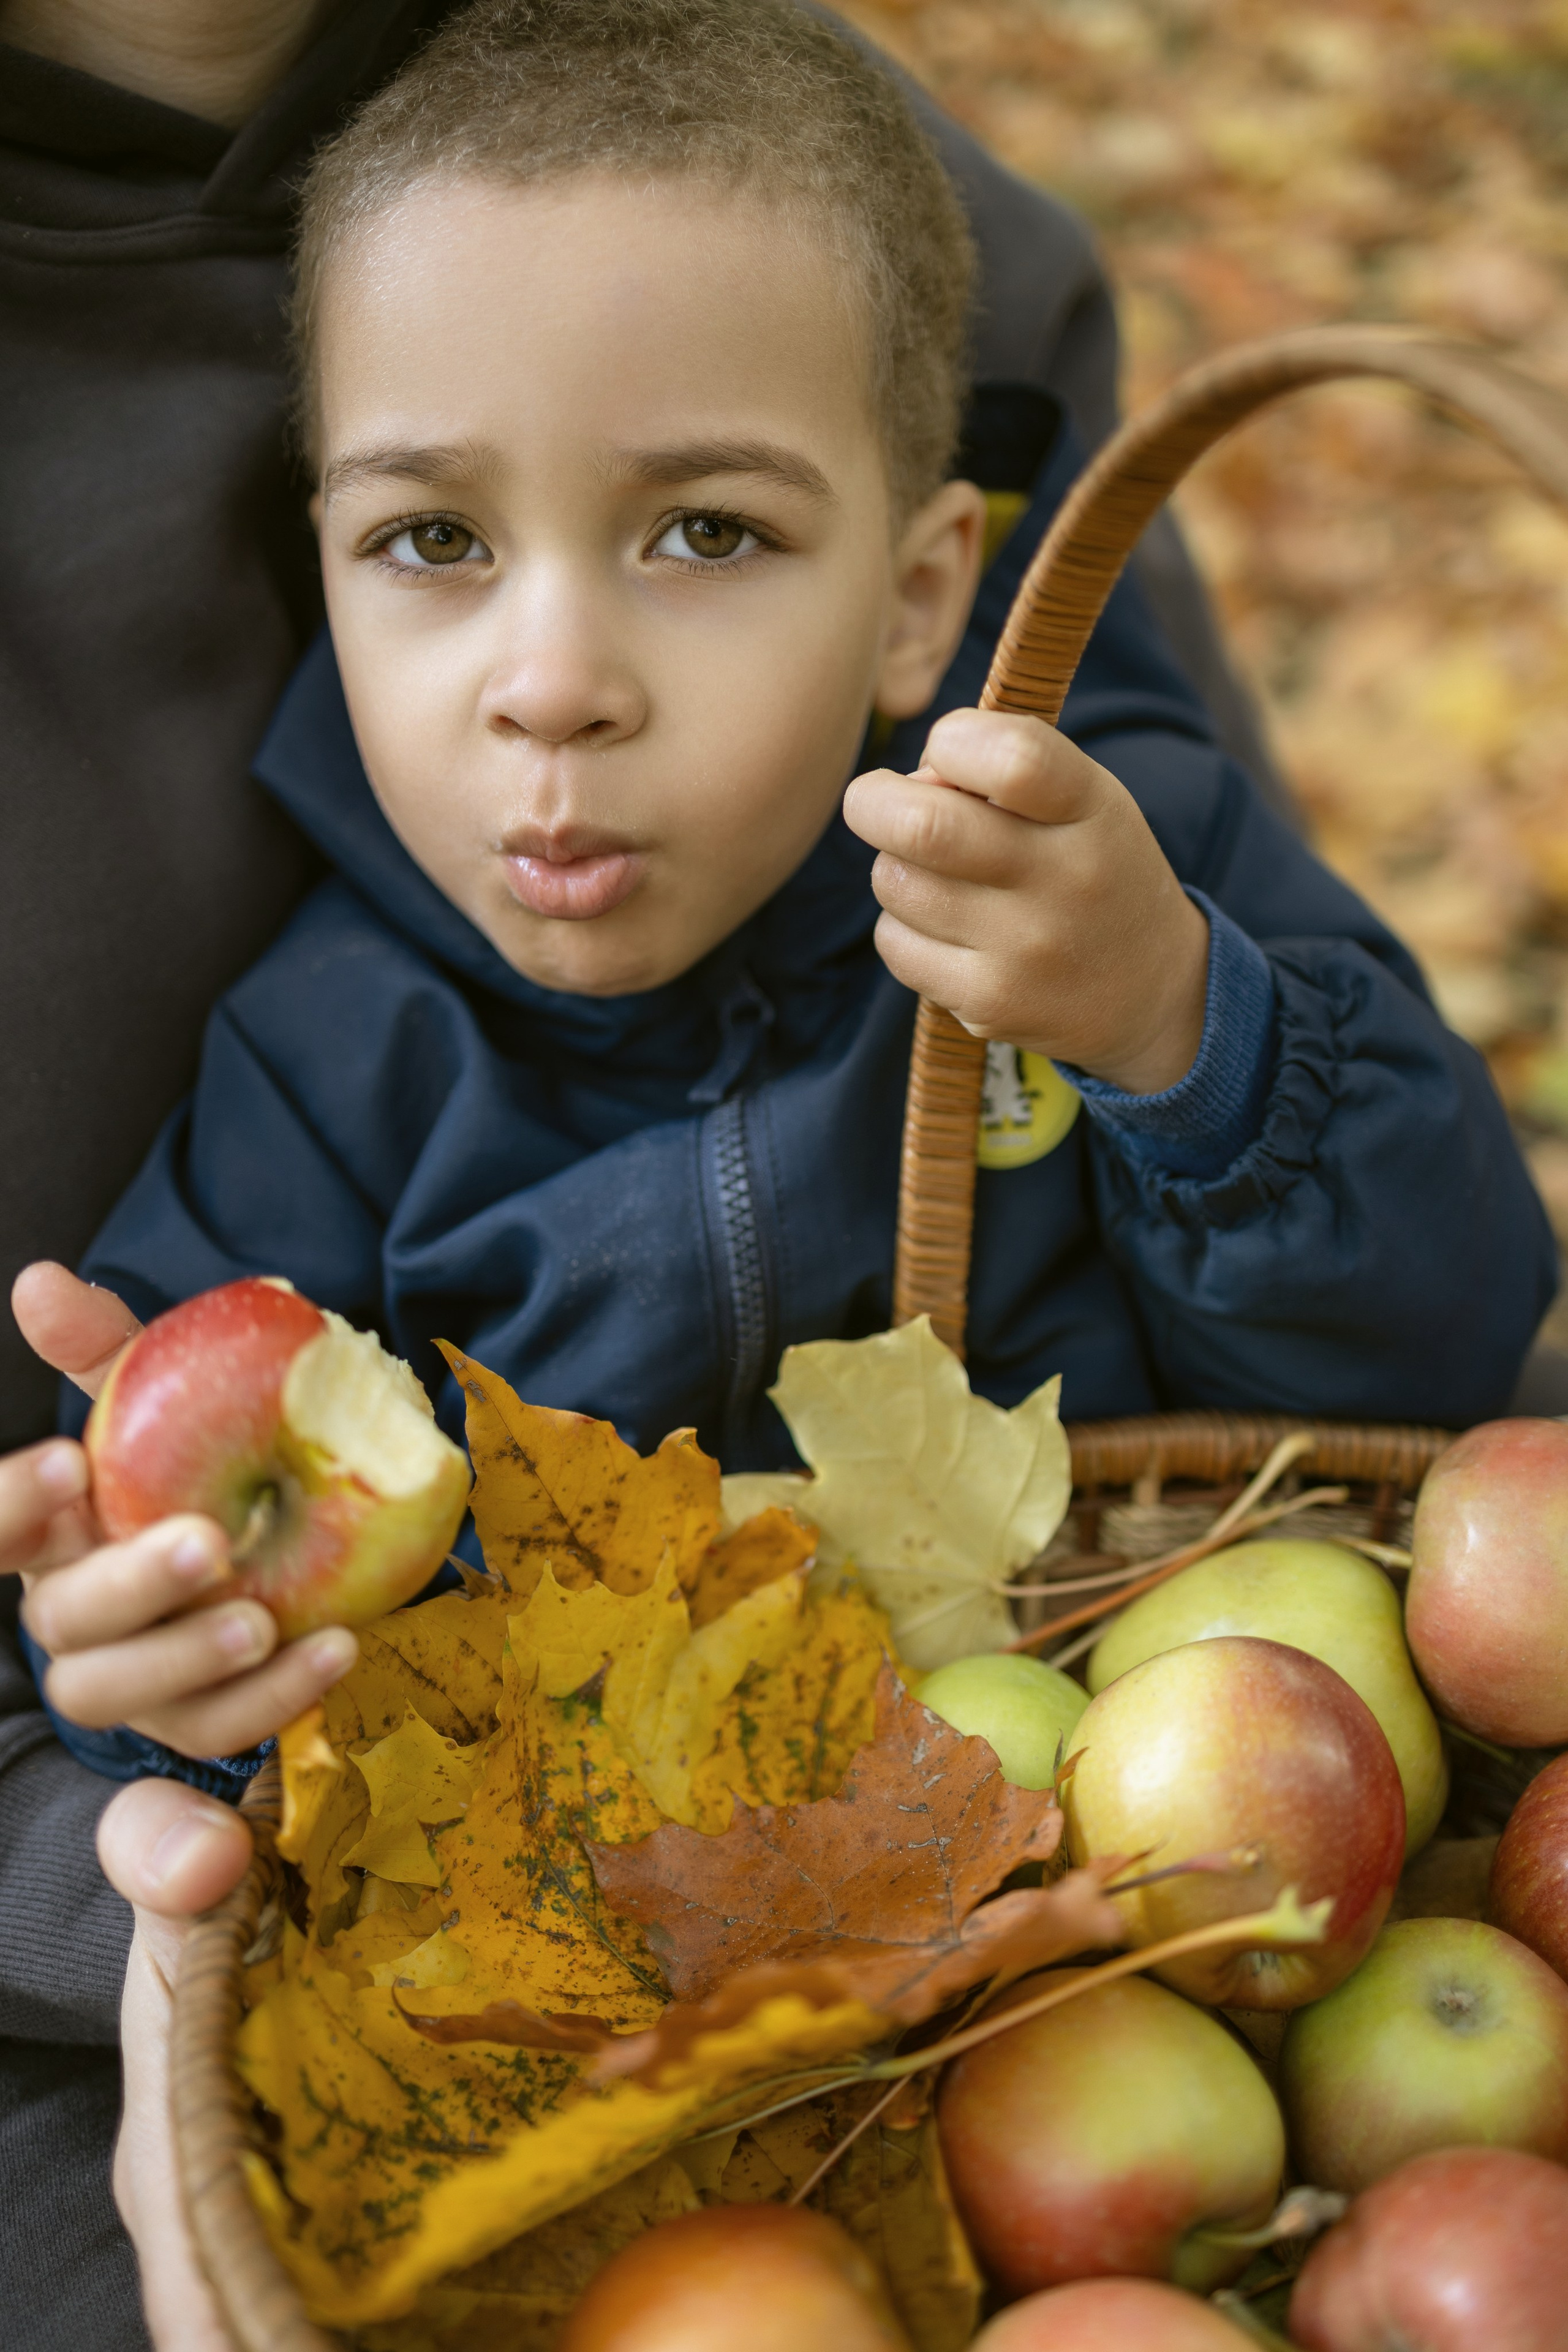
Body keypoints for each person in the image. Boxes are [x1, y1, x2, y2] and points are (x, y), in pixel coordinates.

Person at [0, 3, 1549, 2347]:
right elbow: (209, 1762)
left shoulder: (1094, 884)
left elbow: (1435, 1354)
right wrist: (157, 1672)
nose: (553, 679)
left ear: (927, 592)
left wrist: (1176, 1029)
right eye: (430, 541)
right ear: (319, 570)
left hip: (1147, 1922)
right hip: (654, 2046)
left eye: (705, 533)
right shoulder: (312, 1088)